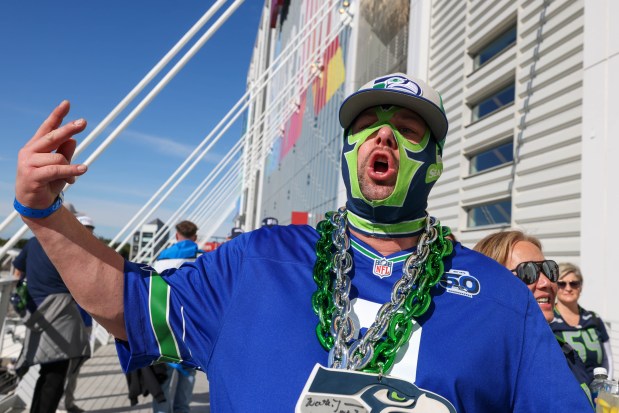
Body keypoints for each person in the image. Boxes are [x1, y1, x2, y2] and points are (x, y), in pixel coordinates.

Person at [13, 74, 592, 411]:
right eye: (367, 123)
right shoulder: (256, 262)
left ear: (435, 163)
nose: (383, 132)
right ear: (348, 151)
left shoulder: (499, 297)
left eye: (408, 128)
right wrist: (44, 214)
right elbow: (129, 306)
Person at [474, 230, 593, 399]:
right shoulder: (481, 367)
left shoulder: (564, 351)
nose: (547, 283)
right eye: (528, 272)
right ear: (491, 282)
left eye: (549, 269)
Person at [12, 216, 91, 413]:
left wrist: (23, 286)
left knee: (45, 371)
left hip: (36, 313)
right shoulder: (69, 246)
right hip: (61, 315)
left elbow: (18, 269)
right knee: (55, 374)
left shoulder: (32, 243)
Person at [151, 220, 202, 413]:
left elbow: (151, 295)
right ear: (195, 237)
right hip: (192, 330)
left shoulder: (162, 259)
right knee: (187, 382)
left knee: (163, 381)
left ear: (176, 236)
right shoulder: (203, 259)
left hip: (164, 327)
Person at [551, 262, 614, 381]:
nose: (568, 288)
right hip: (566, 393)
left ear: (580, 287)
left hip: (597, 393)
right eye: (562, 284)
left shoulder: (594, 319)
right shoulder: (548, 320)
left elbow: (608, 359)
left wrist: (606, 387)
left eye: (574, 283)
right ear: (555, 287)